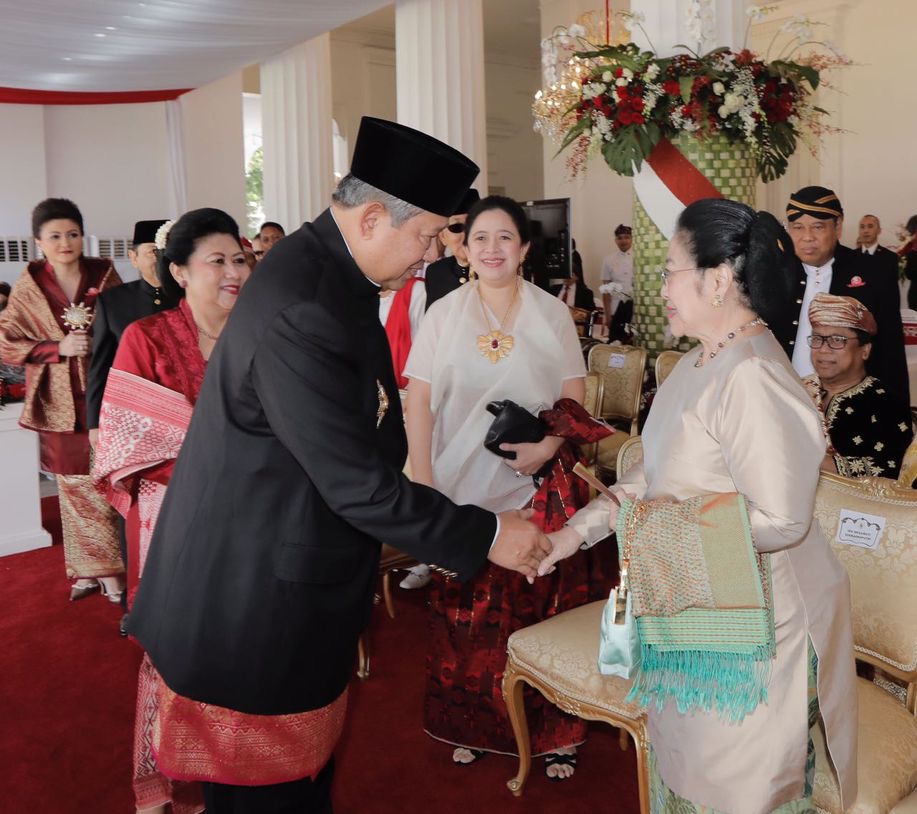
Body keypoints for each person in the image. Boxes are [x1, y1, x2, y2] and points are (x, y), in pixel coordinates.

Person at [126, 117, 550, 813]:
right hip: (250, 603)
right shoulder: (303, 304)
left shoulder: (329, 274)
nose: (428, 256)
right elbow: (354, 481)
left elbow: (369, 424)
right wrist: (484, 533)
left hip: (281, 572)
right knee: (269, 800)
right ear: (375, 217)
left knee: (298, 789)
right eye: (425, 236)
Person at [540, 198, 857, 811]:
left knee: (735, 788)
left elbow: (784, 520)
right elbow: (654, 479)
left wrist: (656, 533)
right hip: (695, 603)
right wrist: (572, 535)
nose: (660, 288)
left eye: (670, 272)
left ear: (717, 279)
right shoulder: (694, 362)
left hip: (759, 628)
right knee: (683, 766)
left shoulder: (754, 376)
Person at [404, 195, 614, 778]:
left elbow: (575, 396)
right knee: (465, 616)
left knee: (537, 606)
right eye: (480, 238)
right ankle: (469, 723)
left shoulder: (551, 313)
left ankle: (555, 731)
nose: (492, 249)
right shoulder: (442, 312)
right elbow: (418, 400)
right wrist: (423, 483)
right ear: (463, 249)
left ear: (524, 249)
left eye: (505, 238)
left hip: (538, 488)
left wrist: (550, 447)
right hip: (458, 485)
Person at [94, 208, 251, 814]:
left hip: (255, 526)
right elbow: (127, 444)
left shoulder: (259, 338)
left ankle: (230, 777)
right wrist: (225, 455)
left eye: (240, 258)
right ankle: (162, 792)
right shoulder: (146, 338)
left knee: (240, 648)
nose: (235, 270)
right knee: (180, 655)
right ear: (180, 272)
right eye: (218, 261)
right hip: (178, 527)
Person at [0, 198, 123, 600]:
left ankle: (98, 568)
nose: (65, 242)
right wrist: (57, 348)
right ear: (39, 242)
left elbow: (125, 325)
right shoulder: (30, 285)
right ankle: (101, 573)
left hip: (103, 395)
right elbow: (7, 342)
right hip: (58, 401)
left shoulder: (103, 273)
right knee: (73, 486)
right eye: (55, 236)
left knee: (108, 479)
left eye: (72, 233)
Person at [776, 186, 908, 407]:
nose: (807, 237)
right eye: (797, 227)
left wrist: (897, 410)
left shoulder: (872, 271)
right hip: (785, 398)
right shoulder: (775, 274)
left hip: (853, 406)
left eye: (818, 227)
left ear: (837, 226)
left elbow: (890, 348)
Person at [802, 293, 913, 479]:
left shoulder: (886, 405)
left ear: (865, 350)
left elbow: (891, 468)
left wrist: (814, 462)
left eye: (837, 340)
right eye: (817, 338)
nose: (823, 348)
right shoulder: (795, 391)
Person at [423, 187, 479, 310]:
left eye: (472, 225)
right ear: (443, 237)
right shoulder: (436, 273)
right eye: (457, 228)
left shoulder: (497, 270)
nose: (467, 235)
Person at [600, 224, 633, 340]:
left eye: (626, 237)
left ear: (632, 239)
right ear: (615, 240)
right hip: (615, 308)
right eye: (620, 238)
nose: (623, 241)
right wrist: (607, 316)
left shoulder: (639, 257)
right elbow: (606, 290)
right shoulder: (608, 260)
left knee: (633, 343)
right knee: (616, 342)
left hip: (635, 309)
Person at [549, 238, 595, 310]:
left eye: (570, 274)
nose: (566, 277)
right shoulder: (553, 289)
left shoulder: (586, 293)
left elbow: (590, 313)